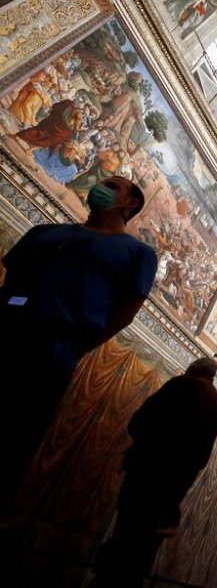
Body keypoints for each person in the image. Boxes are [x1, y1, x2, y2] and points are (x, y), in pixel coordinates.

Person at [0, 175, 157, 509]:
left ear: (129, 204)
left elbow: (125, 313)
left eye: (111, 186)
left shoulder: (138, 253)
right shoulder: (45, 232)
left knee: (14, 438)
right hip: (6, 333)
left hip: (51, 355)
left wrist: (77, 346)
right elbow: (13, 276)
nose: (99, 187)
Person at [92, 357, 217, 587]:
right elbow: (202, 458)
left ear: (192, 368)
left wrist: (142, 449)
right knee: (142, 554)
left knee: (124, 542)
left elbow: (140, 420)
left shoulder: (183, 384)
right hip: (173, 492)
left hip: (146, 477)